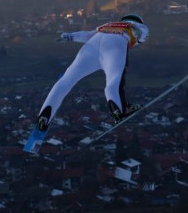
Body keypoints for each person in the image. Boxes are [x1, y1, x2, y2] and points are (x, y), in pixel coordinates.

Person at [25, 14, 149, 153]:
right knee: (113, 80)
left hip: (91, 46)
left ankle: (45, 116)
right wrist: (136, 37)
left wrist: (69, 36)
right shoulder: (140, 26)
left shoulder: (109, 24)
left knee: (66, 80)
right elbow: (141, 37)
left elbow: (87, 35)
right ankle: (118, 111)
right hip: (115, 45)